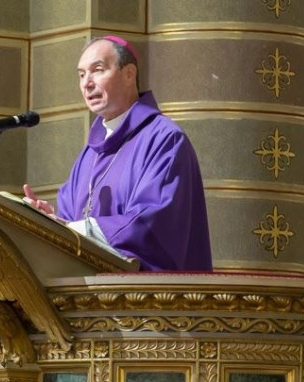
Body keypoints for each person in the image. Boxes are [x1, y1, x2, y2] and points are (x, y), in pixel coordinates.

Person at [22, 35, 212, 272]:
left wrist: (77, 230)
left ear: (129, 74)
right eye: (81, 75)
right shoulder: (88, 155)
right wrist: (50, 222)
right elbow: (69, 220)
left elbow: (152, 225)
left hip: (147, 291)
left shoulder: (164, 139)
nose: (87, 83)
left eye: (97, 70)